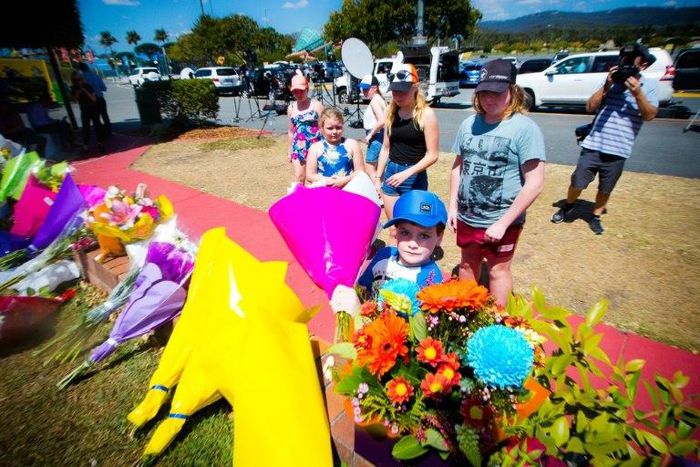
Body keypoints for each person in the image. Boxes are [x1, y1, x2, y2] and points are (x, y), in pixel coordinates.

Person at [448, 59, 545, 307]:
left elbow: (535, 182)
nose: (489, 99)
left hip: (502, 220)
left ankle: (499, 321)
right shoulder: (468, 124)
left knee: (497, 271)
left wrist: (503, 223)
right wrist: (452, 206)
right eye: (484, 92)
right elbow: (458, 166)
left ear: (512, 91)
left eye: (497, 92)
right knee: (468, 263)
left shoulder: (525, 129)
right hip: (468, 216)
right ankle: (466, 313)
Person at [551, 43, 658, 235]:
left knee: (606, 188)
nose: (625, 63)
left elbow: (650, 115)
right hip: (594, 144)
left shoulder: (649, 86)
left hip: (619, 149)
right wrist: (607, 85)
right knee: (577, 181)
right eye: (624, 58)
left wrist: (638, 93)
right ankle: (568, 205)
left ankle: (596, 216)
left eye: (631, 59)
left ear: (643, 64)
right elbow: (590, 106)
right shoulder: (611, 81)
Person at [374, 64, 439, 230]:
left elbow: (433, 155)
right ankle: (395, 256)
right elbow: (386, 149)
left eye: (403, 90)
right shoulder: (391, 112)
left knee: (413, 228)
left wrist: (407, 173)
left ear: (415, 88)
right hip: (391, 175)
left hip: (413, 176)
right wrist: (377, 178)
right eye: (395, 91)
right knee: (395, 229)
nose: (398, 95)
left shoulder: (426, 114)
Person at [358, 190, 446, 298]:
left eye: (424, 236)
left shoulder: (432, 278)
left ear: (439, 238)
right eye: (405, 233)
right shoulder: (384, 255)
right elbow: (362, 289)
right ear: (396, 232)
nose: (413, 244)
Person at [305, 107, 365, 188]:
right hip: (324, 191)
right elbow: (310, 175)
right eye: (330, 128)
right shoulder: (315, 148)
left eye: (338, 127)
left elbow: (360, 171)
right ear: (321, 129)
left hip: (348, 189)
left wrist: (344, 180)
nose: (334, 132)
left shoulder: (352, 144)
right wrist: (328, 180)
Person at [287, 71, 324, 184]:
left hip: (316, 147)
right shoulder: (291, 108)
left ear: (307, 89)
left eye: (301, 90)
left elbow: (324, 127)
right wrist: (289, 150)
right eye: (295, 91)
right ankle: (300, 201)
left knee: (315, 179)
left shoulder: (316, 105)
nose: (298, 93)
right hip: (299, 148)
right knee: (299, 177)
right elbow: (291, 131)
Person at [359, 74, 386, 182]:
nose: (364, 92)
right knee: (379, 168)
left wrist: (370, 135)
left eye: (366, 89)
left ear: (374, 88)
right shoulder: (378, 99)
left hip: (376, 137)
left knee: (370, 168)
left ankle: (378, 191)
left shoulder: (375, 100)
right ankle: (381, 191)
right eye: (363, 89)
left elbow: (382, 120)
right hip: (379, 136)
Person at [70, 71, 105, 154]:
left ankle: (100, 143)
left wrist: (85, 91)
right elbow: (74, 101)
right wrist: (78, 93)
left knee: (97, 126)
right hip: (84, 109)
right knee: (86, 128)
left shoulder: (88, 86)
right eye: (75, 80)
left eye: (79, 79)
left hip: (93, 108)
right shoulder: (74, 88)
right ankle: (86, 146)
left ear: (82, 79)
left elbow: (94, 99)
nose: (78, 82)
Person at [78, 63, 111, 137]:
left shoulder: (82, 78)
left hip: (91, 101)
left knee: (96, 118)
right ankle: (109, 132)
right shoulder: (95, 76)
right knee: (105, 116)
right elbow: (104, 88)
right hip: (100, 98)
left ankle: (101, 134)